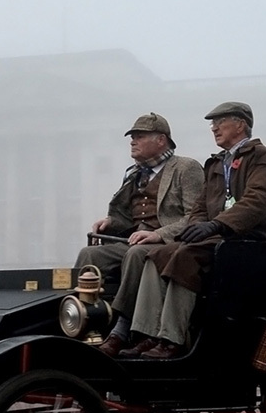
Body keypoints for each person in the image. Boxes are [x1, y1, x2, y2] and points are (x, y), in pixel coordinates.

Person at [123, 101, 266, 359]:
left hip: (249, 243)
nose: (214, 128)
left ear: (241, 124)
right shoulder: (216, 164)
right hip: (218, 240)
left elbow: (255, 203)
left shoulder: (264, 159)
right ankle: (146, 335)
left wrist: (216, 225)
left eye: (220, 122)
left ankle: (171, 340)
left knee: (185, 257)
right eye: (213, 124)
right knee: (156, 256)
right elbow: (200, 206)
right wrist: (195, 227)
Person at [73, 113, 204, 356]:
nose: (133, 141)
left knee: (136, 254)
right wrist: (110, 222)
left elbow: (196, 216)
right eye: (132, 137)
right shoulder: (134, 173)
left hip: (169, 245)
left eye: (139, 136)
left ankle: (120, 332)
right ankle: (81, 323)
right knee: (90, 255)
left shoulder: (186, 168)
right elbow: (128, 219)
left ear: (161, 140)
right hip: (134, 240)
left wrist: (160, 234)